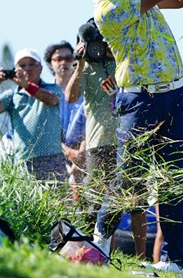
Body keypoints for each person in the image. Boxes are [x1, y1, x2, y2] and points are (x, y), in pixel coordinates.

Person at [78, 0, 183, 272]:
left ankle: (174, 263)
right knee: (128, 178)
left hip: (176, 95)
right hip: (139, 101)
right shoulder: (107, 10)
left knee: (172, 180)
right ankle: (98, 242)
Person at [64, 20, 145, 256]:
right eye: (95, 44)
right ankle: (85, 252)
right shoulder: (87, 67)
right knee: (95, 199)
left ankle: (141, 257)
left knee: (136, 201)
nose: (100, 49)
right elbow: (70, 97)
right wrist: (79, 65)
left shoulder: (126, 63)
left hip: (130, 141)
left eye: (105, 42)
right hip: (100, 143)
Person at [0, 47, 65, 180]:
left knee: (59, 200)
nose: (27, 68)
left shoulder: (53, 88)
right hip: (24, 161)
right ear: (15, 69)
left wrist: (27, 86)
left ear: (40, 68)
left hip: (53, 159)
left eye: (32, 64)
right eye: (22, 65)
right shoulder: (13, 95)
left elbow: (51, 99)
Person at [44, 41, 86, 183]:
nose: (63, 63)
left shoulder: (86, 91)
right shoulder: (45, 94)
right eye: (58, 59)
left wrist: (80, 155)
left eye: (68, 58)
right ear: (50, 64)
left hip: (85, 153)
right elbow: (47, 131)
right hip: (56, 155)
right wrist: (69, 153)